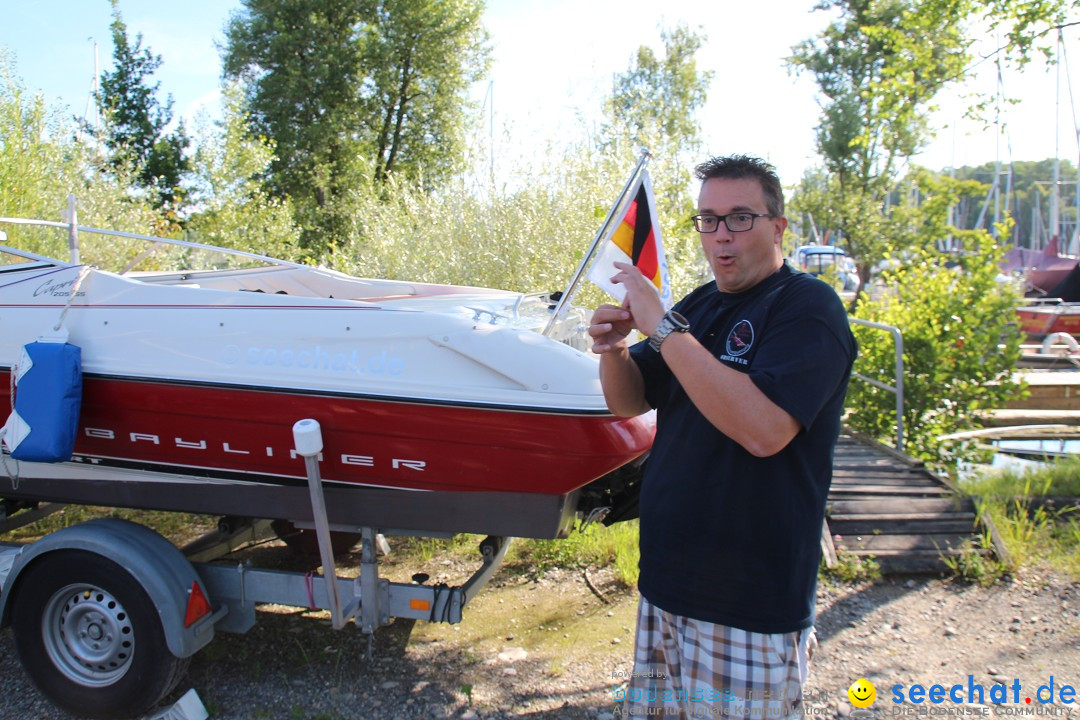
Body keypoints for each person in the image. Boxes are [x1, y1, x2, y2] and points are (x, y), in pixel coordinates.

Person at [590, 155, 857, 718]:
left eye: (739, 218)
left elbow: (764, 431)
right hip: (667, 583)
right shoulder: (701, 304)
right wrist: (613, 349)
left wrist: (663, 327)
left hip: (748, 599)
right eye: (708, 220)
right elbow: (631, 400)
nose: (720, 235)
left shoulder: (807, 308)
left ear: (778, 226)